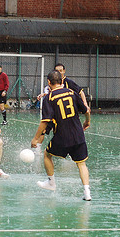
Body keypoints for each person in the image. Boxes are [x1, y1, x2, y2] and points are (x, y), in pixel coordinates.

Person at [31, 70, 92, 201]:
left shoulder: (50, 97)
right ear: (62, 80)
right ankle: (87, 192)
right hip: (78, 135)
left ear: (48, 82)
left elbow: (45, 121)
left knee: (47, 155)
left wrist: (35, 138)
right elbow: (86, 110)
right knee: (81, 164)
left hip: (62, 136)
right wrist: (87, 121)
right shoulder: (71, 92)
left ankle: (51, 183)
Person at [33, 63, 90, 152]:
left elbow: (80, 92)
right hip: (55, 114)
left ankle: (66, 152)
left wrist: (85, 104)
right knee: (44, 129)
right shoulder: (54, 82)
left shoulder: (68, 82)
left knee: (65, 133)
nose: (59, 72)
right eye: (57, 71)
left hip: (66, 115)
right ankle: (38, 149)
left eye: (60, 70)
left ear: (64, 71)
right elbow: (54, 95)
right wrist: (44, 94)